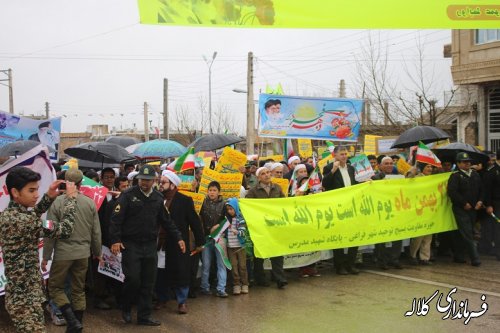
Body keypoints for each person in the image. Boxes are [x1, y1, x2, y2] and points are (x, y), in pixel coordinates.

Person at [0, 166, 77, 333]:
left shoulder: (12, 215)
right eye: (31, 190)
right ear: (15, 192)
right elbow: (65, 229)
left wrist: (49, 196)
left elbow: (33, 214)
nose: (36, 194)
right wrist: (71, 199)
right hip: (24, 299)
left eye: (37, 190)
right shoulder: (22, 221)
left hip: (24, 295)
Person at [109, 165, 186, 326]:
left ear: (154, 181)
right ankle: (126, 308)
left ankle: (144, 316)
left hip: (150, 245)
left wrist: (179, 237)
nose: (144, 183)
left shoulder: (158, 198)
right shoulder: (128, 195)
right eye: (142, 180)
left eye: (148, 180)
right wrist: (115, 240)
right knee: (133, 279)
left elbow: (167, 221)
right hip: (131, 244)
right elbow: (116, 220)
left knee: (148, 282)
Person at [42, 168, 103, 332]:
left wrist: (46, 257)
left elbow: (50, 232)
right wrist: (98, 253)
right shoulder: (89, 203)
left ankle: (72, 321)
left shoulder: (56, 202)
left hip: (63, 254)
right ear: (81, 183)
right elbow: (96, 231)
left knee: (55, 288)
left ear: (65, 182)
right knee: (78, 289)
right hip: (83, 253)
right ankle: (77, 323)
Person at [156, 170, 204, 314]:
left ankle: (182, 302)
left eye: (163, 182)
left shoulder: (184, 200)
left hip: (178, 244)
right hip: (160, 244)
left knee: (181, 273)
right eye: (160, 182)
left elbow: (195, 222)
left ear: (172, 185)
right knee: (160, 273)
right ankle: (162, 299)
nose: (160, 185)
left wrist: (200, 242)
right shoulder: (157, 199)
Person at [246, 167, 288, 289]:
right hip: (261, 227)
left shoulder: (277, 188)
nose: (267, 175)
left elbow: (284, 203)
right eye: (263, 173)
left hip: (275, 225)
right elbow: (248, 206)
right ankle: (260, 278)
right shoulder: (253, 191)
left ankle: (280, 278)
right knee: (260, 254)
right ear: (258, 177)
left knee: (277, 252)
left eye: (268, 173)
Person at [322, 146, 360, 275]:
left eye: (346, 154)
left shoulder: (351, 168)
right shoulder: (328, 168)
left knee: (354, 235)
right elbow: (325, 184)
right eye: (342, 154)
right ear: (335, 156)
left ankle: (351, 263)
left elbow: (355, 184)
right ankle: (339, 266)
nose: (344, 156)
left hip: (351, 206)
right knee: (339, 237)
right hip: (337, 208)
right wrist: (333, 170)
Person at [447, 152, 483, 266]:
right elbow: (452, 192)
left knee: (461, 232)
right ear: (458, 164)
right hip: (461, 209)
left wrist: (480, 201)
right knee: (468, 233)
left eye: (468, 161)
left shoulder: (475, 174)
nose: (467, 163)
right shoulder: (455, 176)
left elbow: (482, 189)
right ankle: (475, 258)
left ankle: (458, 255)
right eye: (464, 162)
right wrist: (463, 203)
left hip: (474, 208)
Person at [371, 156, 404, 270]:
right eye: (386, 163)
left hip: (395, 210)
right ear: (380, 166)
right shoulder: (374, 178)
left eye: (391, 163)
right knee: (382, 237)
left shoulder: (398, 178)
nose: (389, 165)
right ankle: (381, 260)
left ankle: (395, 259)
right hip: (381, 211)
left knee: (397, 235)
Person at [199, 181, 228, 297]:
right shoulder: (202, 203)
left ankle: (221, 288)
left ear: (219, 192)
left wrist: (218, 226)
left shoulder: (225, 204)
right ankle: (204, 287)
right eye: (210, 190)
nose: (212, 192)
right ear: (207, 191)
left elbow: (228, 219)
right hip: (206, 238)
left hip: (220, 238)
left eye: (214, 190)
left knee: (221, 264)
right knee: (206, 264)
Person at [407, 163, 435, 265]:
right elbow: (407, 183)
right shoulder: (417, 178)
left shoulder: (434, 179)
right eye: (427, 166)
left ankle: (424, 257)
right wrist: (411, 172)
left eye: (431, 167)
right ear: (422, 168)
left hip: (430, 210)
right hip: (419, 210)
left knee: (428, 236)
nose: (430, 168)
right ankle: (412, 255)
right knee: (418, 236)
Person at [225, 198, 249, 295]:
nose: (229, 211)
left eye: (231, 209)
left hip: (240, 246)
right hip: (230, 247)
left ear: (236, 208)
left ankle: (245, 284)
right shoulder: (227, 219)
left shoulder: (240, 218)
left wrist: (238, 232)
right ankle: (236, 285)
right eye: (228, 209)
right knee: (234, 266)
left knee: (242, 266)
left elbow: (244, 232)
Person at [483, 150, 500, 261]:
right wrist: (488, 205)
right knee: (498, 229)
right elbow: (487, 190)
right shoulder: (492, 171)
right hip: (496, 204)